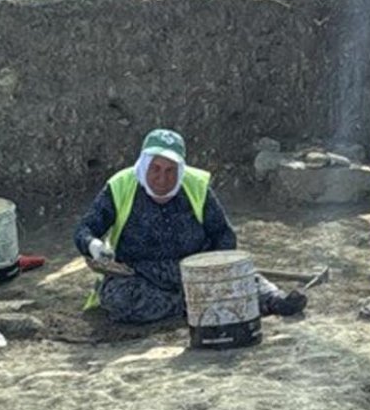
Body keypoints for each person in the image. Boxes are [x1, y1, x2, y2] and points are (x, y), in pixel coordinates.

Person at [73, 129, 304, 326]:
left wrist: (216, 269)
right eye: (155, 168)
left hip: (195, 273)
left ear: (180, 169)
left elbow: (223, 234)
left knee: (241, 279)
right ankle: (194, 305)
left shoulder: (196, 186)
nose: (162, 178)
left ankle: (275, 300)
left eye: (170, 170)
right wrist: (93, 245)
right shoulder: (120, 185)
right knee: (120, 299)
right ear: (143, 164)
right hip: (140, 275)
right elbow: (85, 229)